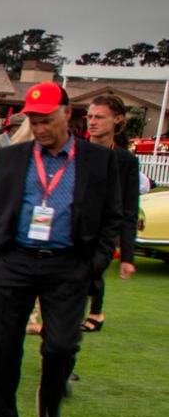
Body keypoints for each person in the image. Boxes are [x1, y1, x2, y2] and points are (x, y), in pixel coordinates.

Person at [0, 83, 122, 417]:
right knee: (4, 348)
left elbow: (112, 217)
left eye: (46, 120)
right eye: (34, 121)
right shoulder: (11, 158)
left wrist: (94, 265)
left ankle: (50, 398)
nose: (39, 128)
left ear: (67, 114)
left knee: (60, 345)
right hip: (14, 261)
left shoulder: (98, 160)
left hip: (69, 264)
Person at [81, 94, 138, 332]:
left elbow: (129, 209)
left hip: (103, 233)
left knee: (87, 277)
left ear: (117, 119)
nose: (92, 122)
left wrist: (127, 255)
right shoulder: (75, 151)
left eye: (99, 117)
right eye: (90, 116)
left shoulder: (125, 161)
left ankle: (95, 312)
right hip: (71, 228)